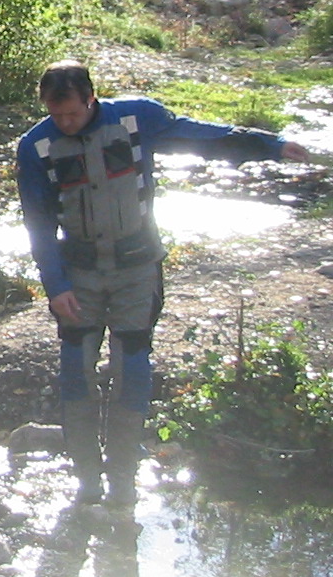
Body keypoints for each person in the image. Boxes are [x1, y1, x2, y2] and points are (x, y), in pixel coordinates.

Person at [17, 59, 310, 511]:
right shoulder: (35, 146)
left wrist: (270, 145)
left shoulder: (137, 118)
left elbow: (204, 138)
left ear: (91, 98)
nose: (65, 123)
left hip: (137, 267)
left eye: (72, 113)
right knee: (76, 371)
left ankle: (123, 480)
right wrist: (55, 286)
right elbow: (37, 224)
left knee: (132, 367)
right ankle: (87, 480)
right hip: (79, 274)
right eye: (56, 115)